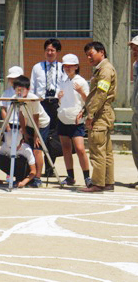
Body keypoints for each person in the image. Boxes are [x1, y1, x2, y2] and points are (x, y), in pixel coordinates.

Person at [77, 42, 116, 193]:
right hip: (103, 112)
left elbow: (100, 94)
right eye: (87, 55)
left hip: (100, 113)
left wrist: (90, 114)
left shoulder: (105, 70)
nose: (88, 58)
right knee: (106, 150)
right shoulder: (102, 69)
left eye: (91, 54)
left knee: (97, 149)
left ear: (101, 52)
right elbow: (95, 94)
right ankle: (108, 182)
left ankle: (98, 184)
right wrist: (84, 109)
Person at [57, 53, 92, 187]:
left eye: (70, 66)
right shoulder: (63, 81)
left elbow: (88, 100)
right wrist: (59, 97)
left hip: (76, 119)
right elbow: (61, 100)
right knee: (66, 148)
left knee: (80, 148)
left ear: (76, 66)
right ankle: (70, 176)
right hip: (63, 118)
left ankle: (87, 177)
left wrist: (81, 92)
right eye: (65, 66)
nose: (67, 68)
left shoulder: (81, 81)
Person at [30, 38, 63, 176]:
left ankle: (50, 167)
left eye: (53, 50)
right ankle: (36, 168)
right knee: (39, 133)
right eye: (48, 50)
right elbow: (32, 87)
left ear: (57, 52)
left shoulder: (62, 67)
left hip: (56, 103)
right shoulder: (37, 67)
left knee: (53, 135)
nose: (50, 53)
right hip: (41, 103)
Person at [15, 76, 51, 188]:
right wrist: (24, 131)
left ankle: (38, 178)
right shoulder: (17, 98)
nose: (19, 92)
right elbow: (21, 115)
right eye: (17, 89)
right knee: (26, 147)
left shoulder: (33, 98)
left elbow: (36, 117)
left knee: (37, 150)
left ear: (28, 88)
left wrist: (36, 135)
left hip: (41, 124)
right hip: (30, 124)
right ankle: (28, 174)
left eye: (22, 89)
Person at [0, 66, 24, 130]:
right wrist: (7, 126)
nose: (13, 80)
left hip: (24, 124)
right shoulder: (6, 93)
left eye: (16, 78)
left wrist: (24, 127)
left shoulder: (26, 92)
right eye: (11, 78)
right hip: (10, 123)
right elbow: (3, 109)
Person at [129, 35, 138, 190]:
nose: (133, 50)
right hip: (136, 110)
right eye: (132, 48)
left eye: (136, 47)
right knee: (136, 147)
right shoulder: (136, 64)